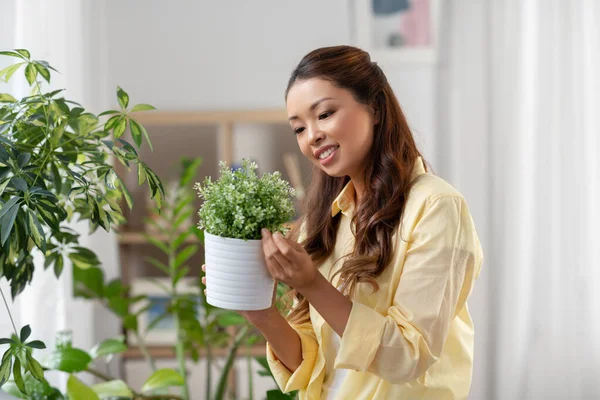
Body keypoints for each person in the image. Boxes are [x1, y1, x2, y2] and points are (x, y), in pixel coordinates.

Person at [202, 45, 483, 400]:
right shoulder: (323, 221)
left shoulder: (436, 207)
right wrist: (260, 312)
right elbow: (314, 363)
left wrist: (312, 283)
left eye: (325, 114)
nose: (312, 136)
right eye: (299, 128)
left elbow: (408, 356)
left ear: (376, 107)